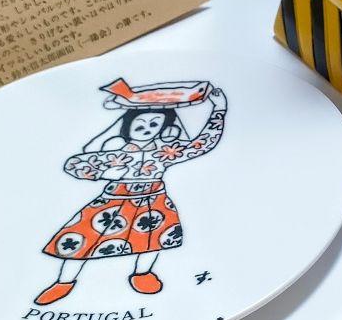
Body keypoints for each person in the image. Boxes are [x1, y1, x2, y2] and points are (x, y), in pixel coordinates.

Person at [36, 83, 226, 305]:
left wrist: (219, 109)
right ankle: (64, 282)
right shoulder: (115, 150)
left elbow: (202, 144)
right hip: (113, 202)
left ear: (163, 128)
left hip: (153, 201)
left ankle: (142, 274)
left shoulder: (165, 151)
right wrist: (103, 173)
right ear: (128, 125)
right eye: (140, 124)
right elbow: (74, 164)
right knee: (81, 239)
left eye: (154, 124)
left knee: (153, 241)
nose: (147, 128)